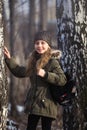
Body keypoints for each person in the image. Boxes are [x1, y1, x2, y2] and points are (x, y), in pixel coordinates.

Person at [4, 31, 67, 130]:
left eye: (43, 43)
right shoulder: (33, 61)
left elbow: (62, 79)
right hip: (34, 103)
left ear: (48, 45)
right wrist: (9, 59)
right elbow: (20, 72)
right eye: (37, 43)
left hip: (48, 104)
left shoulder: (52, 62)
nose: (39, 45)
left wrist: (45, 74)